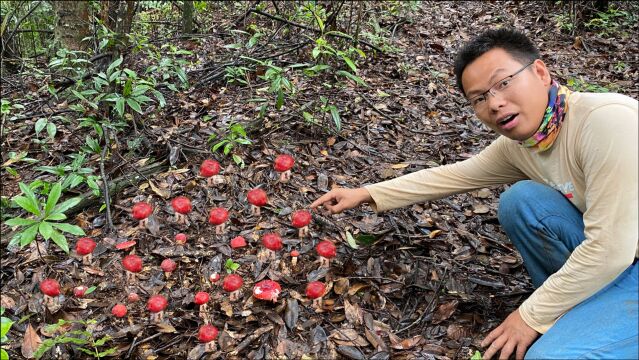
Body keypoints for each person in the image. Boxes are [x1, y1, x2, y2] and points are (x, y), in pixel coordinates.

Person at [310, 28, 638, 359]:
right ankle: (582, 312)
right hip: (618, 256)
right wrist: (365, 193)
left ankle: (584, 323)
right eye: (479, 98)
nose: (494, 103)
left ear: (540, 72)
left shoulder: (606, 122)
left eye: (504, 82)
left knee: (546, 356)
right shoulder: (523, 145)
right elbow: (453, 175)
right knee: (521, 201)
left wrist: (530, 316)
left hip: (620, 256)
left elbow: (610, 250)